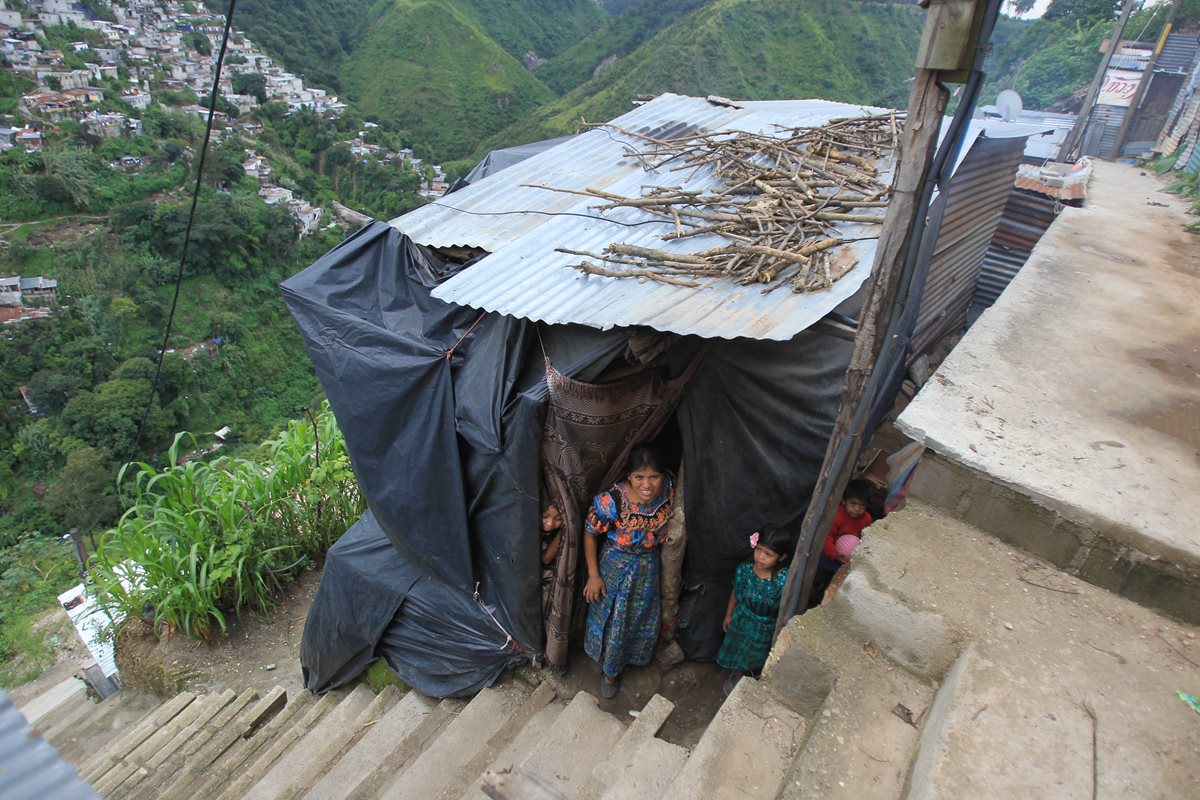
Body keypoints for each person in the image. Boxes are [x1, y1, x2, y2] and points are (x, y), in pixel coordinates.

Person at [583, 445, 675, 699]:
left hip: (648, 566)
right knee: (609, 615)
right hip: (615, 564)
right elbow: (590, 534)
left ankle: (617, 668)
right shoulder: (610, 501)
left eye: (653, 477)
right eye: (639, 477)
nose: (647, 485)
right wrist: (593, 575)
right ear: (628, 476)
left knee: (636, 617)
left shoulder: (668, 488)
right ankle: (603, 661)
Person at [717, 524, 790, 694]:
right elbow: (735, 591)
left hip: (764, 628)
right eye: (758, 550)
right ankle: (737, 674)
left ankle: (748, 679)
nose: (761, 557)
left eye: (768, 554)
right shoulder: (745, 569)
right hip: (741, 619)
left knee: (755, 656)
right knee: (738, 649)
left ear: (781, 557)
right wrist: (728, 615)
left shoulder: (783, 580)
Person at [811, 479, 874, 605]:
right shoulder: (836, 516)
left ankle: (824, 601)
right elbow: (827, 537)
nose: (857, 509)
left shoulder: (866, 518)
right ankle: (811, 600)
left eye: (862, 506)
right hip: (829, 555)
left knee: (834, 583)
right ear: (844, 501)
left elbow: (867, 536)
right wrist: (834, 554)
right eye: (853, 504)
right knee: (817, 580)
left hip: (846, 559)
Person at [540, 501, 563, 615]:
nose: (550, 523)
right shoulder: (530, 530)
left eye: (558, 519)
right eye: (545, 516)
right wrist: (562, 533)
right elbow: (546, 558)